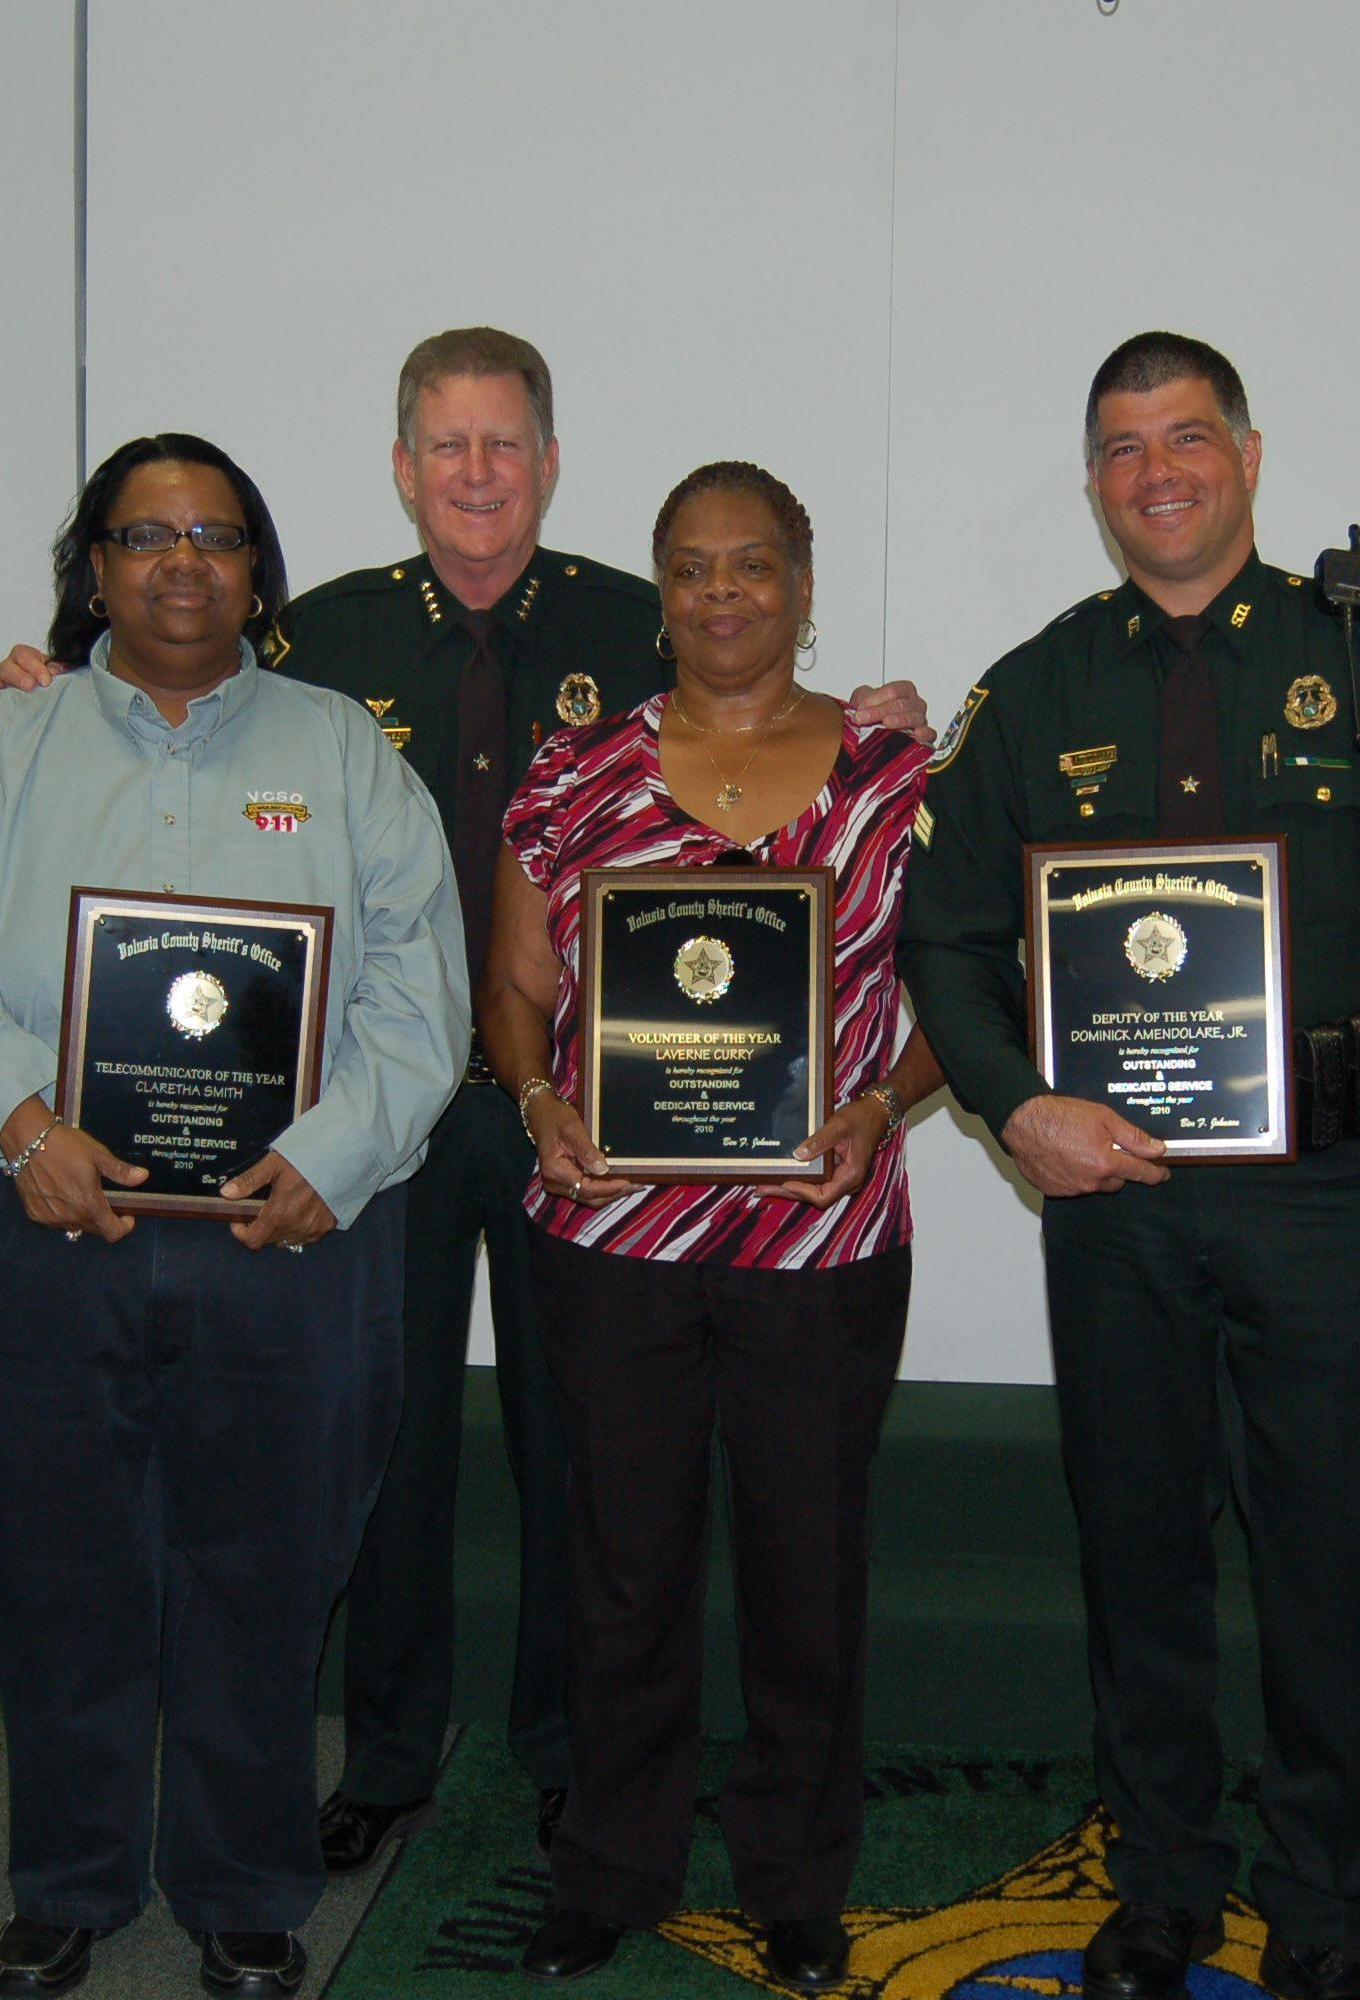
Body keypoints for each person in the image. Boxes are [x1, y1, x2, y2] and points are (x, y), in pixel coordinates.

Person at [0, 329, 928, 1875]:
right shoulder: (320, 635)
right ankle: (394, 1749)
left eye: (506, 445)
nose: (477, 473)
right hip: (377, 1099)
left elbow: (775, 719)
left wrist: (886, 697)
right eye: (447, 445)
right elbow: (170, 701)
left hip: (605, 1120)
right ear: (404, 467)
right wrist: (51, 679)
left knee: (587, 1454)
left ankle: (571, 1753)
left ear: (551, 465)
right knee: (388, 1431)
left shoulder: (648, 617)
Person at [898, 333, 1360, 2000]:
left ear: (1249, 452)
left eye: (1186, 437)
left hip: (1322, 1192)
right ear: (1091, 480)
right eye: (1120, 446)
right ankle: (1159, 1882)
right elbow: (944, 939)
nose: (1155, 470)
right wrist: (1020, 1107)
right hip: (1112, 1199)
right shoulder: (1035, 690)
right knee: (1140, 1554)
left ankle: (1327, 1909)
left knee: (1337, 1565)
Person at [0, 432, 467, 1999]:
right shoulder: (6, 745)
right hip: (41, 1227)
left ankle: (247, 1883)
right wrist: (22, 1125)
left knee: (267, 1578)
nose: (181, 563)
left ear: (259, 572)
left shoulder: (344, 748)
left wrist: (334, 1157)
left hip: (296, 1244)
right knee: (58, 1569)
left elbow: (423, 986)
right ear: (94, 570)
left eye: (214, 535)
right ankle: (68, 1880)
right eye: (145, 536)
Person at [477, 462, 942, 1992]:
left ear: (806, 585)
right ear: (658, 589)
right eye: (693, 567)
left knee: (809, 1568)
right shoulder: (569, 774)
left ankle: (797, 1873)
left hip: (820, 1243)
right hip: (613, 1240)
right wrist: (539, 1102)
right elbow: (519, 986)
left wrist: (880, 1106)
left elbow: (968, 1001)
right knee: (623, 1567)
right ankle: (612, 1861)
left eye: (754, 565)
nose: (724, 593)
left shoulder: (894, 778)